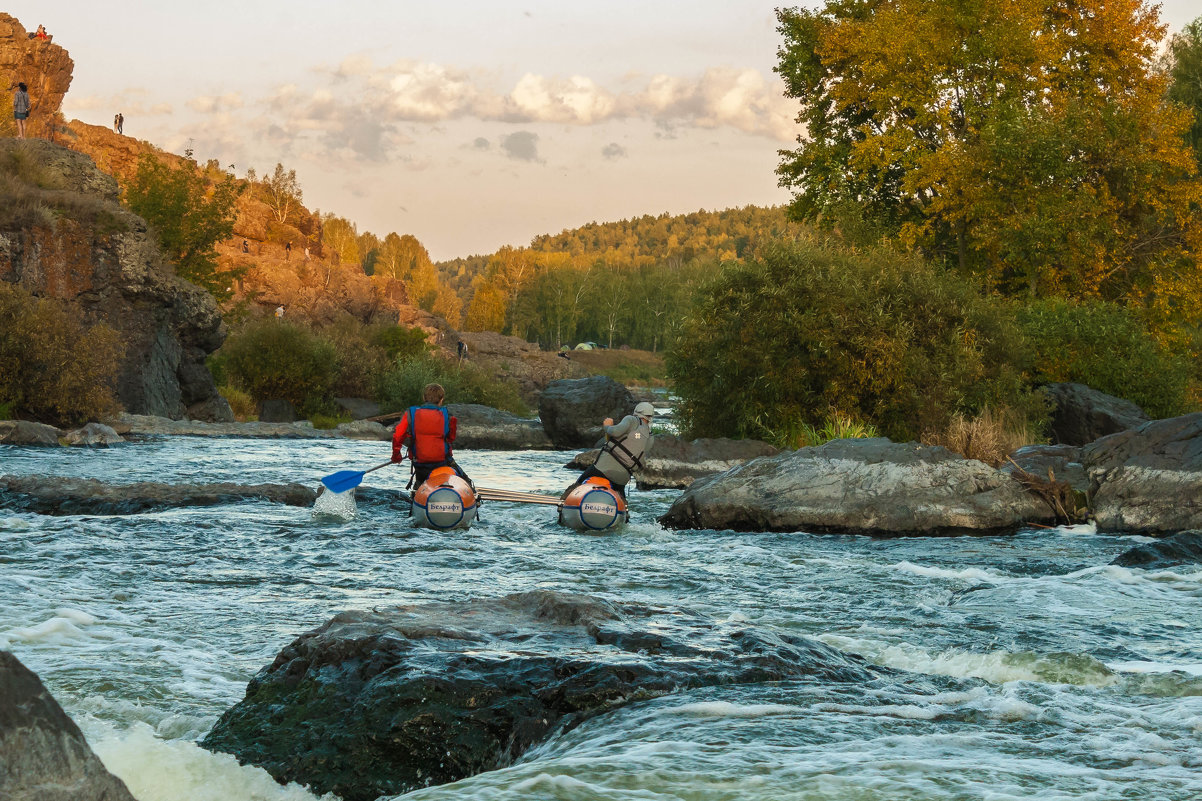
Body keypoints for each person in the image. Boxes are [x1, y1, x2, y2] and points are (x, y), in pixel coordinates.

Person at [564, 402, 655, 500]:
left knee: (580, 482)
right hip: (623, 477)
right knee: (620, 494)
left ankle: (565, 501)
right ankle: (623, 509)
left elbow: (615, 432)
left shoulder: (632, 420)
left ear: (637, 412)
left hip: (604, 467)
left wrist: (607, 426)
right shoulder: (650, 436)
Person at [391, 383, 472, 489]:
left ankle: (419, 489)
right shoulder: (448, 415)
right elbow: (451, 438)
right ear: (441, 399)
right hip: (443, 462)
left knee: (421, 480)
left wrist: (396, 456)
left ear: (424, 398)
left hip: (420, 463)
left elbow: (397, 436)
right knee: (467, 482)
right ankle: (473, 494)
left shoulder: (410, 413)